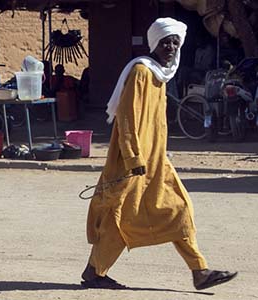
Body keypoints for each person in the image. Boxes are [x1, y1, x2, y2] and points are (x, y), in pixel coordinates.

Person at [86, 18, 237, 291]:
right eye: (165, 42)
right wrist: (133, 158)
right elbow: (128, 117)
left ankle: (199, 270)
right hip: (135, 163)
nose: (170, 47)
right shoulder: (142, 72)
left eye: (174, 42)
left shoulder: (160, 74)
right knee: (121, 218)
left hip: (156, 161)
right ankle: (95, 271)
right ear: (155, 43)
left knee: (179, 209)